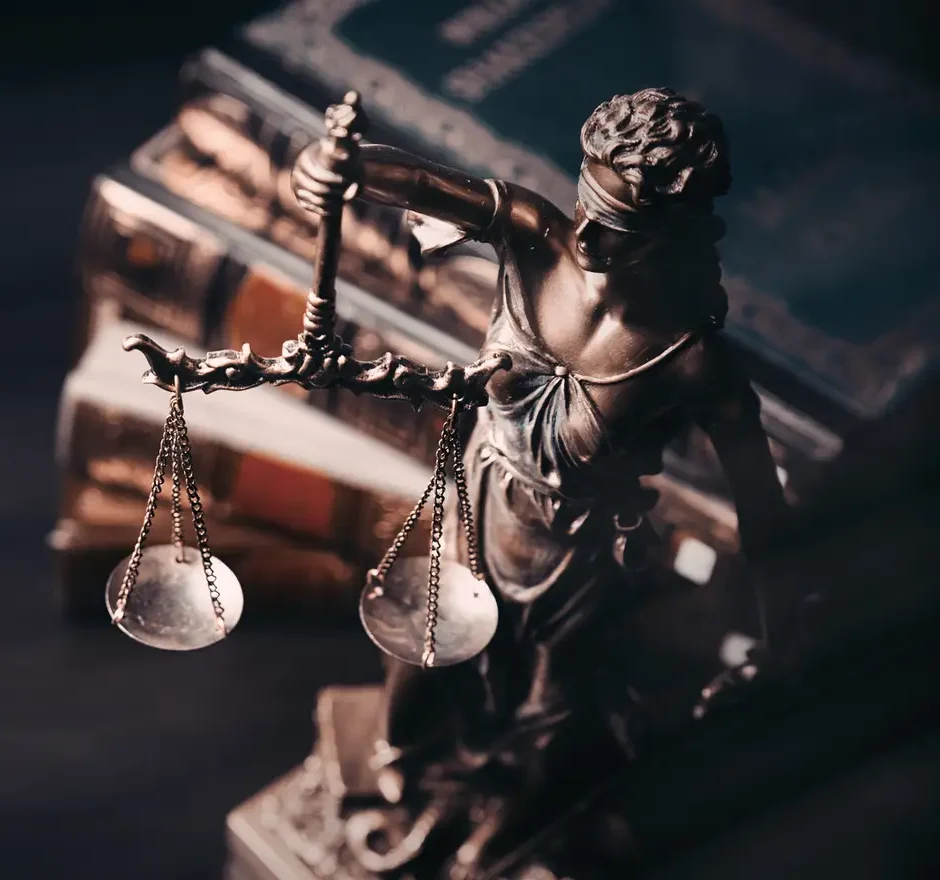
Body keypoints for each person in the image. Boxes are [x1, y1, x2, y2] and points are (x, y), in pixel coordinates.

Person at [292, 87, 790, 874]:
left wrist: (776, 632)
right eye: (585, 201)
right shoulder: (533, 236)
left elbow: (763, 509)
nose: (586, 233)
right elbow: (414, 182)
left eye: (616, 224)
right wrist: (330, 166)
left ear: (672, 231)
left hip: (581, 562)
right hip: (479, 505)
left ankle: (520, 817)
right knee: (424, 659)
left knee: (556, 711)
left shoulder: (693, 361)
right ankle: (411, 769)